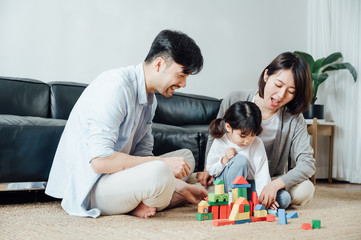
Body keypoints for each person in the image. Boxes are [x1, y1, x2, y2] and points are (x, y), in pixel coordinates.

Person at [45, 29, 208, 219]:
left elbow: (142, 155)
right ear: (159, 64)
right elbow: (100, 161)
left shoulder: (150, 100)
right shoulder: (115, 87)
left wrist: (180, 184)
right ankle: (143, 200)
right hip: (90, 183)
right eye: (181, 75)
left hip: (116, 176)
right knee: (160, 173)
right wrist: (163, 165)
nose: (184, 84)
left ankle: (151, 197)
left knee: (185, 158)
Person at [198, 52, 315, 209]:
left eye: (291, 91)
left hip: (267, 178)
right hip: (229, 172)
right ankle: (231, 195)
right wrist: (207, 167)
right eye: (278, 85)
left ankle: (257, 198)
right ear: (266, 75)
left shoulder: (294, 118)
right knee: (211, 183)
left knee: (305, 190)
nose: (281, 95)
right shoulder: (235, 99)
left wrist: (274, 186)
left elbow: (307, 163)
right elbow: (216, 136)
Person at [207, 101, 274, 206]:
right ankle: (232, 202)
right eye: (242, 136)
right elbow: (210, 169)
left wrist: (264, 196)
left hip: (247, 185)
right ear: (228, 127)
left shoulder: (257, 142)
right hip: (226, 186)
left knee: (284, 198)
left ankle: (245, 201)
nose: (247, 141)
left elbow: (262, 172)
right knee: (240, 161)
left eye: (252, 135)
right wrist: (224, 160)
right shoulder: (220, 142)